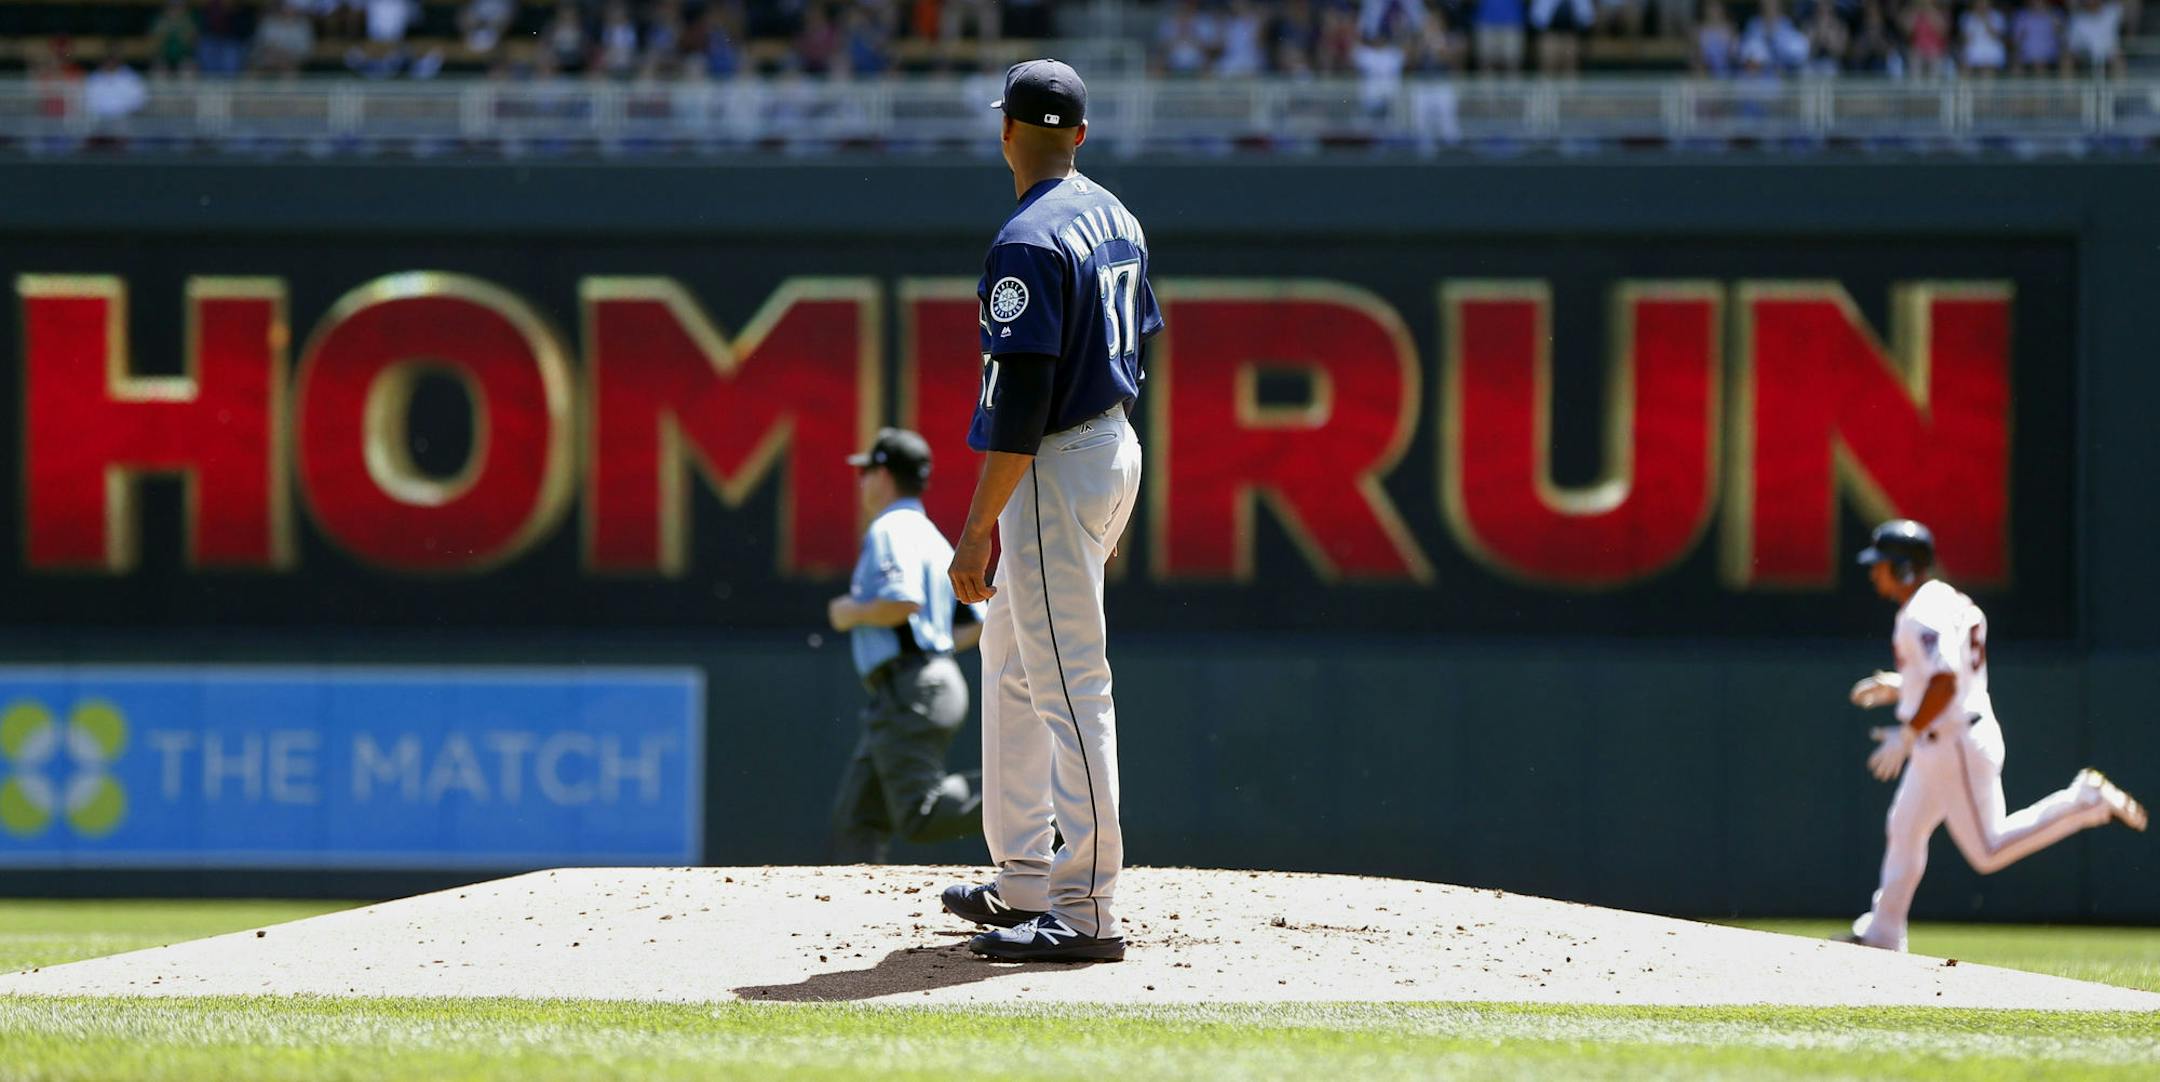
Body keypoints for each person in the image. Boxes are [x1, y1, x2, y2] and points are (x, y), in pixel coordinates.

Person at [942, 59, 1159, 964]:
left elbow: (1022, 404)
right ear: (1077, 133)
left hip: (1056, 460)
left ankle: (1087, 906)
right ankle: (1027, 874)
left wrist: (975, 525)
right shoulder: (1114, 212)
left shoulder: (1026, 240)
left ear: (1005, 134)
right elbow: (1135, 343)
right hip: (1108, 445)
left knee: (1070, 682)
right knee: (1012, 660)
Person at [1841, 519, 2146, 952]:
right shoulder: (1947, 599)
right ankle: (1883, 932)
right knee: (1905, 826)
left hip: (1953, 743)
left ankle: (2083, 803)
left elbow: (1945, 680)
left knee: (1987, 850)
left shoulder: (1919, 614)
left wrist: (1908, 731)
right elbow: (1948, 672)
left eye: (1883, 564)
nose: (1874, 572)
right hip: (1948, 737)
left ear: (1906, 568)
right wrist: (1900, 685)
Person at [828, 428, 987, 863]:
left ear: (883, 474)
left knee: (921, 815)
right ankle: (854, 909)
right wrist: (933, 652)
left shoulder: (890, 528)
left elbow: (903, 600)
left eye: (866, 472)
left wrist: (851, 611)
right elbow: (975, 624)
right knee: (858, 817)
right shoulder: (930, 534)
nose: (862, 482)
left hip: (911, 688)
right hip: (925, 683)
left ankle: (1029, 803)